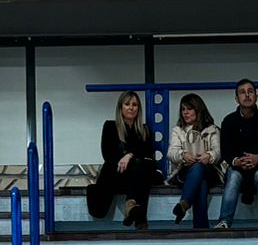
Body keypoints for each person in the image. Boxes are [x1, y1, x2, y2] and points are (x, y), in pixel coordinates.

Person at [214, 79, 258, 230]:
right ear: (236, 98)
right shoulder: (229, 120)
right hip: (238, 167)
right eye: (242, 92)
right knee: (233, 176)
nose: (247, 95)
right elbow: (225, 150)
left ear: (257, 96)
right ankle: (224, 221)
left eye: (250, 92)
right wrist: (237, 161)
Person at [90, 91, 159, 231]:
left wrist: (129, 155)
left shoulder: (145, 130)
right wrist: (128, 158)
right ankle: (139, 218)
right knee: (141, 170)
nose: (131, 108)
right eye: (127, 104)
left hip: (137, 174)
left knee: (144, 167)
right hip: (118, 174)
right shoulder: (110, 126)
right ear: (120, 107)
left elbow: (149, 154)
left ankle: (131, 203)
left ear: (138, 108)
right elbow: (108, 154)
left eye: (134, 105)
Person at [167, 92, 222, 231]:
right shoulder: (177, 130)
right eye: (183, 109)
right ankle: (201, 229)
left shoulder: (212, 129)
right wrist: (183, 155)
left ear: (198, 110)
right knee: (201, 182)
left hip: (209, 169)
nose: (185, 113)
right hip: (185, 171)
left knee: (200, 169)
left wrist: (208, 156)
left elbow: (218, 151)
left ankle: (185, 203)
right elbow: (171, 152)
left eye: (189, 109)